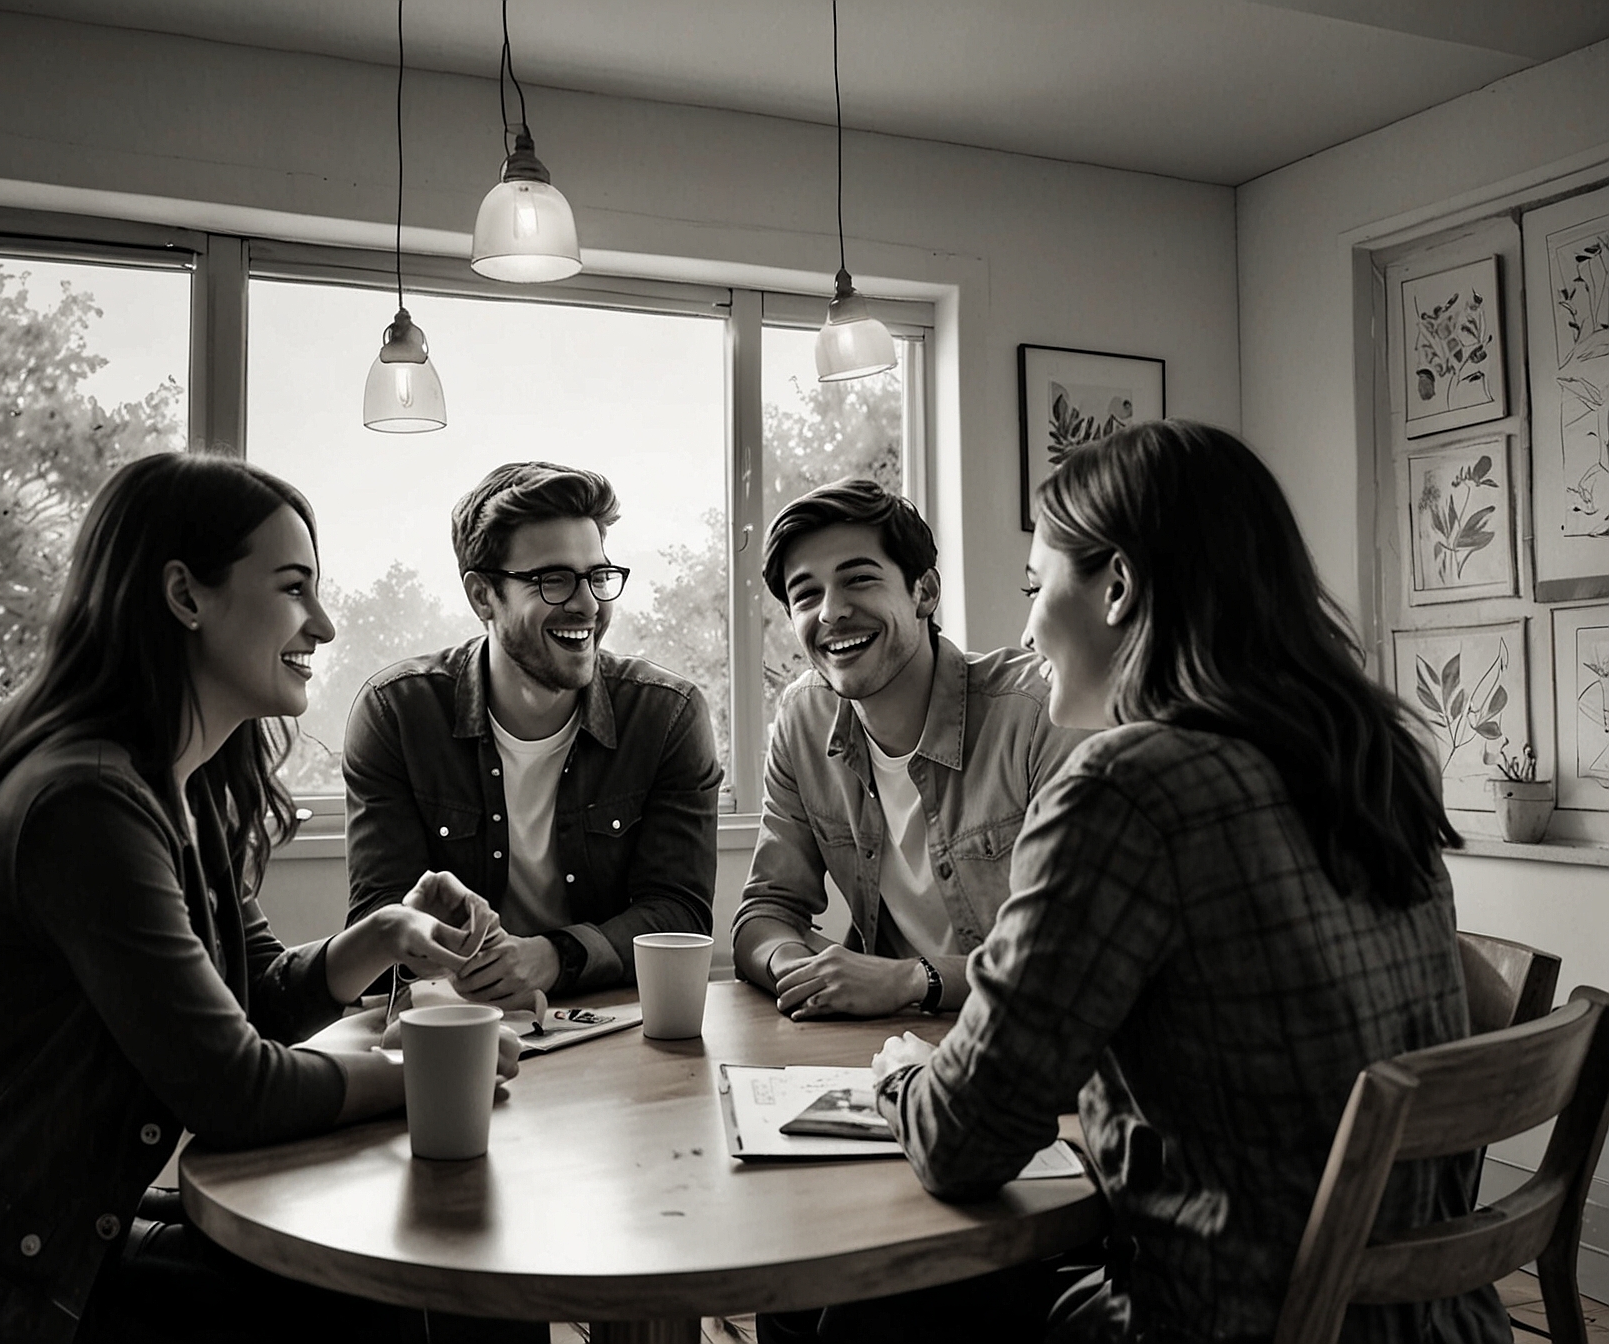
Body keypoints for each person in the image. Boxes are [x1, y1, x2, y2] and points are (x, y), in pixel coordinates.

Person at [0, 453, 517, 1344]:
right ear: (185, 595)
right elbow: (234, 1089)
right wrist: (423, 1076)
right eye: (293, 589)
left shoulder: (180, 785)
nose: (321, 623)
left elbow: (248, 1004)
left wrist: (383, 933)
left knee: (414, 1287)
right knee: (392, 1301)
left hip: (51, 1235)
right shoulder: (85, 804)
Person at [871, 421, 1512, 1343]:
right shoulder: (1368, 755)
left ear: (1119, 587)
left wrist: (900, 1080)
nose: (1022, 628)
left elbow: (961, 1141)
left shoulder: (1126, 789)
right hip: (1430, 1320)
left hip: (1228, 1318)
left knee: (861, 1314)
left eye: (1035, 585)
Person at [344, 461, 720, 1007]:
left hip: (606, 1021)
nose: (588, 603)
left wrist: (550, 957)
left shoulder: (665, 715)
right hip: (453, 1019)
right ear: (482, 596)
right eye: (553, 579)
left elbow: (678, 913)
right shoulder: (396, 714)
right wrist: (461, 955)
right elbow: (379, 926)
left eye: (597, 576)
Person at [731, 478, 1087, 1021]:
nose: (830, 613)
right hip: (883, 1041)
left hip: (1025, 1041)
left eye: (859, 580)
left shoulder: (1037, 715)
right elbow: (767, 909)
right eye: (806, 595)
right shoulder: (804, 720)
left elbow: (1072, 954)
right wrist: (797, 970)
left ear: (925, 592)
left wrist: (911, 980)